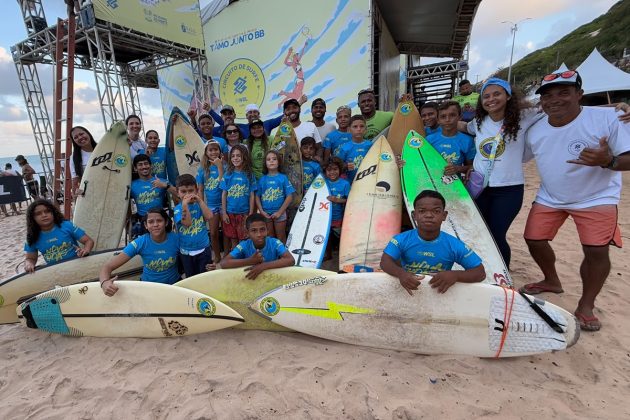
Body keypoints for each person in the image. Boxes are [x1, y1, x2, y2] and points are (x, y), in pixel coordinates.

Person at [520, 70, 630, 332]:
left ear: (580, 94)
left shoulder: (609, 117)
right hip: (551, 195)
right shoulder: (535, 127)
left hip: (597, 197)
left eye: (564, 92)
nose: (554, 100)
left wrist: (609, 161)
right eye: (548, 96)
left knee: (596, 250)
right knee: (534, 239)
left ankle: (586, 304)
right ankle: (551, 280)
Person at [458, 77, 541, 268]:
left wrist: (621, 106)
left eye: (497, 94)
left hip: (509, 189)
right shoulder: (479, 122)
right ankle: (483, 268)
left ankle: (503, 273)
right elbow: (463, 126)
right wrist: (437, 123)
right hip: (480, 187)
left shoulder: (526, 115)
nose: (491, 99)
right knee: (480, 231)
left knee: (497, 233)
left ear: (508, 96)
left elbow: (557, 111)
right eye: (486, 96)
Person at [380, 190, 485, 295]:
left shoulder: (454, 244)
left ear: (444, 215)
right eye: (422, 211)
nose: (429, 215)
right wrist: (401, 273)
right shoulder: (401, 239)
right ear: (414, 215)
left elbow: (480, 273)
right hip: (408, 292)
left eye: (436, 211)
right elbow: (385, 261)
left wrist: (455, 275)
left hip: (438, 296)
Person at [100, 207, 180, 296]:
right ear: (145, 225)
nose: (155, 224)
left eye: (159, 221)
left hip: (175, 286)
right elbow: (107, 267)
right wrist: (104, 283)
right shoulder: (140, 242)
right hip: (148, 288)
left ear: (166, 222)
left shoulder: (177, 239)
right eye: (151, 222)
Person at [23, 199, 94, 272]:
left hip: (77, 266)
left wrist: (86, 250)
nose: (44, 215)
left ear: (53, 213)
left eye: (47, 211)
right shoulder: (32, 235)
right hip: (55, 272)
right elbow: (31, 258)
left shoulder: (67, 225)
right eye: (38, 213)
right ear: (32, 218)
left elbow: (88, 241)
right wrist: (29, 264)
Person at [220, 213, 295, 279]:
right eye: (254, 230)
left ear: (267, 230)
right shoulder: (244, 245)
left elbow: (291, 260)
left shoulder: (274, 243)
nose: (259, 234)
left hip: (272, 279)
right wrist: (250, 261)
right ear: (247, 232)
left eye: (262, 229)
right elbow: (224, 263)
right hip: (251, 281)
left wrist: (263, 266)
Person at [173, 174, 214, 276]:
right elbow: (187, 223)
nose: (187, 194)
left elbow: (209, 216)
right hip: (186, 251)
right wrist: (184, 205)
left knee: (205, 276)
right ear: (178, 193)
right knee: (191, 276)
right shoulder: (178, 209)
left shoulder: (200, 204)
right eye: (183, 191)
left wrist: (200, 200)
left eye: (191, 191)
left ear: (196, 191)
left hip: (204, 248)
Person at [220, 145, 257, 251]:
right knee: (233, 238)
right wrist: (224, 213)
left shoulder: (249, 175)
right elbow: (224, 194)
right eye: (233, 156)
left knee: (244, 238)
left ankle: (244, 259)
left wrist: (250, 213)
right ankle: (236, 259)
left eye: (238, 156)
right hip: (230, 212)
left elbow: (251, 195)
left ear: (244, 157)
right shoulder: (228, 174)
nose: (235, 158)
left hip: (244, 213)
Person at [129, 154, 177, 236]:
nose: (144, 166)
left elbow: (179, 194)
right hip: (143, 220)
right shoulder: (131, 185)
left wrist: (165, 186)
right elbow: (124, 203)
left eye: (146, 163)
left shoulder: (162, 181)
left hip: (161, 218)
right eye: (140, 164)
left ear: (151, 166)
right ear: (135, 168)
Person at [256, 150, 295, 243]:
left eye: (274, 159)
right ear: (265, 163)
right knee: (269, 237)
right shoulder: (262, 179)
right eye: (268, 159)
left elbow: (290, 196)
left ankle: (284, 256)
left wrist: (279, 212)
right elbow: (257, 196)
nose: (271, 161)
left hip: (280, 213)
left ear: (279, 162)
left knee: (281, 237)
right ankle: (273, 256)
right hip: (266, 214)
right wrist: (261, 211)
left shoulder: (283, 178)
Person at [427, 101, 475, 177]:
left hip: (455, 186)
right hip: (430, 182)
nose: (447, 120)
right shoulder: (429, 139)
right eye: (443, 116)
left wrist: (457, 169)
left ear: (460, 117)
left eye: (452, 115)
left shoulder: (467, 141)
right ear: (438, 120)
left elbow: (472, 167)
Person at [197, 141, 225, 264]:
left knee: (226, 232)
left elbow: (224, 184)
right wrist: (202, 207)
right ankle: (217, 255)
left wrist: (220, 166)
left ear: (220, 151)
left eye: (216, 149)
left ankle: (228, 253)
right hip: (212, 206)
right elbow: (200, 190)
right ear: (206, 153)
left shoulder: (225, 166)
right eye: (210, 150)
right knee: (213, 233)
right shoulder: (203, 169)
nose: (214, 152)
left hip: (224, 204)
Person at [323, 157, 350, 260]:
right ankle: (328, 255)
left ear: (340, 170)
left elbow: (349, 200)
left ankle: (344, 256)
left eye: (335, 169)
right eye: (329, 170)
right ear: (325, 171)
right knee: (327, 238)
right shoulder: (322, 183)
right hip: (325, 217)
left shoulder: (345, 184)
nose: (332, 172)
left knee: (342, 238)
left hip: (339, 217)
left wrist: (337, 200)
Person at [337, 115, 373, 182]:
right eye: (355, 127)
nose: (359, 129)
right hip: (350, 183)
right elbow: (338, 166)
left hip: (368, 182)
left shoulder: (371, 145)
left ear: (366, 129)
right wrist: (345, 166)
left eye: (361, 126)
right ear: (349, 129)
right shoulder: (344, 148)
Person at [69, 126, 97, 197]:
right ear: (74, 141)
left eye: (81, 134)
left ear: (88, 133)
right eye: (75, 137)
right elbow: (75, 184)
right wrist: (77, 193)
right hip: (92, 194)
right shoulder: (74, 158)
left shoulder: (103, 148)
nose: (80, 137)